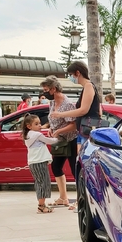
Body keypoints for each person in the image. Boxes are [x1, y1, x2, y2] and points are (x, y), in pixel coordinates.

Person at [49, 61, 102, 212]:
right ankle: (82, 200)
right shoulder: (87, 88)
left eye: (71, 75)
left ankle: (83, 201)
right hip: (83, 132)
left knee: (85, 168)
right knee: (83, 168)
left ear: (77, 73)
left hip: (86, 133)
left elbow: (83, 110)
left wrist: (61, 114)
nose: (71, 78)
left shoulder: (89, 86)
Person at [41, 75, 78, 209]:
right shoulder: (51, 102)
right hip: (60, 141)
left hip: (71, 140)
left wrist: (58, 131)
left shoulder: (67, 104)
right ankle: (63, 197)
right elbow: (53, 120)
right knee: (56, 166)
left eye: (46, 90)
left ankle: (81, 199)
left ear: (53, 89)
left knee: (75, 169)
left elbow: (74, 125)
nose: (44, 93)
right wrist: (52, 129)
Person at [22, 114, 58, 214]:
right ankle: (41, 206)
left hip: (33, 162)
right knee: (44, 183)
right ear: (29, 126)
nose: (39, 126)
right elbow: (49, 141)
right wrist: (59, 138)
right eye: (36, 124)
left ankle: (42, 205)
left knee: (39, 183)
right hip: (39, 162)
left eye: (39, 123)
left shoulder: (29, 135)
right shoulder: (37, 135)